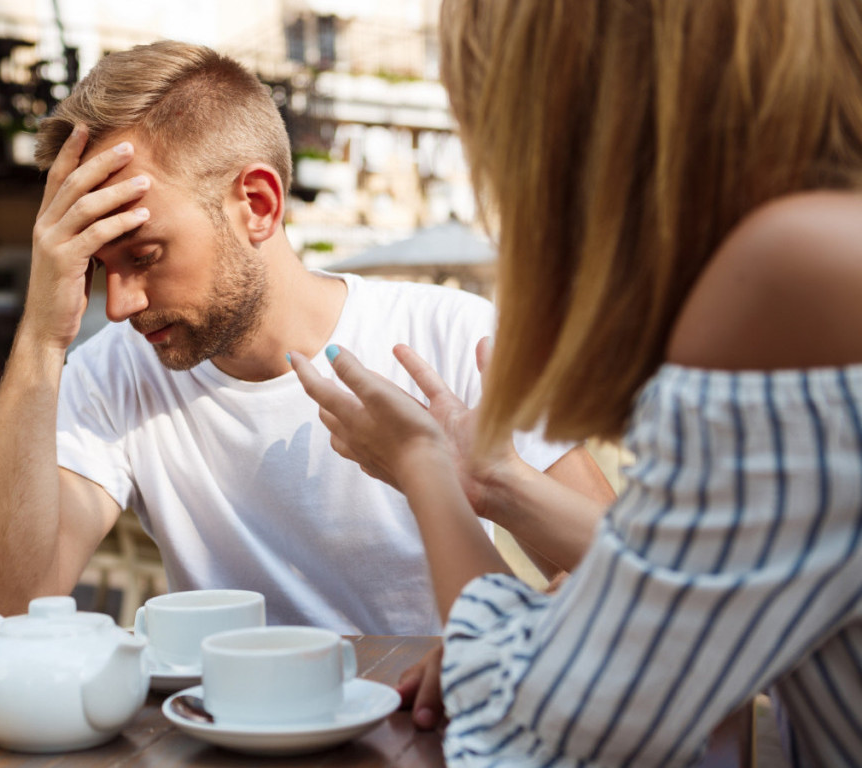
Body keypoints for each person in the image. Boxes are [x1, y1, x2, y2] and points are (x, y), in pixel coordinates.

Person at [291, 0, 862, 764]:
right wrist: (493, 484)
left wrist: (422, 465)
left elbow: (532, 724)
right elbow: (685, 580)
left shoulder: (791, 279)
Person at [0, 40, 613, 641]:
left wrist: (499, 524)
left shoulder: (450, 337)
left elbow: (633, 584)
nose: (119, 306)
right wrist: (42, 335)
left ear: (258, 205)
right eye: (99, 268)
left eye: (145, 254)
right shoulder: (113, 374)